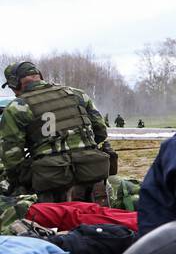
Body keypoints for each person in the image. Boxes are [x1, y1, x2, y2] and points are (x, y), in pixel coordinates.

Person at [1, 61, 112, 202]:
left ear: (15, 83)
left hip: (53, 182)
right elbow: (101, 132)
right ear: (39, 76)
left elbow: (12, 158)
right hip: (93, 172)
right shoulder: (77, 94)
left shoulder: (17, 107)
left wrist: (20, 181)